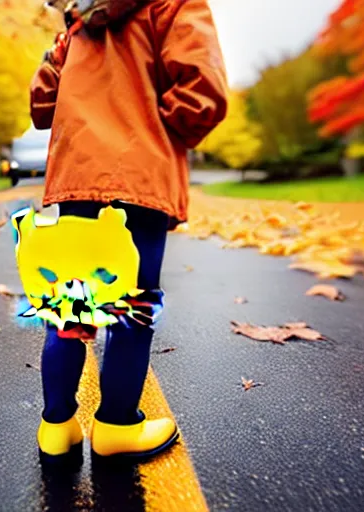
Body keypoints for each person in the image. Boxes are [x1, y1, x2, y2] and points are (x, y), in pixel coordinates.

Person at [29, 0, 228, 467]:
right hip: (139, 180)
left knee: (69, 304)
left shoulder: (76, 27)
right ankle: (118, 426)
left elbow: (42, 105)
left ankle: (56, 428)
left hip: (77, 179)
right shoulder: (173, 6)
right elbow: (204, 92)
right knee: (131, 307)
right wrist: (159, 129)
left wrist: (61, 49)